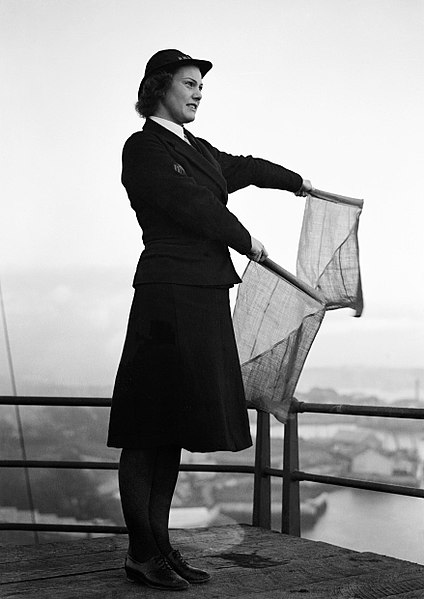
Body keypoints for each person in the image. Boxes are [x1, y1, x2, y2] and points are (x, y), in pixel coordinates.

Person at [107, 49, 312, 592]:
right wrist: (247, 240)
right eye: (190, 83)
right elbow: (191, 205)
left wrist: (297, 184)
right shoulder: (143, 147)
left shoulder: (197, 148)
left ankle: (158, 547)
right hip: (166, 293)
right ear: (160, 88)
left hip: (201, 295)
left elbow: (242, 167)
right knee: (147, 426)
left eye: (202, 85)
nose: (199, 92)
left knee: (170, 426)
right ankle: (141, 552)